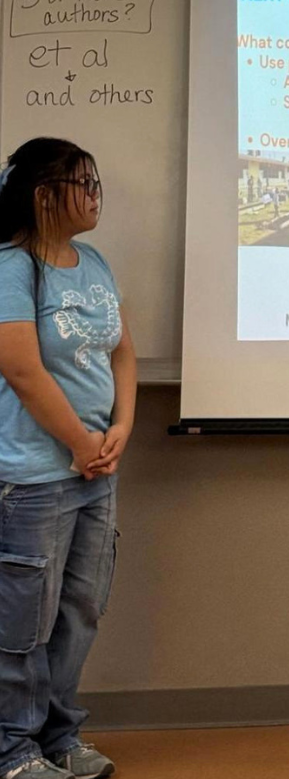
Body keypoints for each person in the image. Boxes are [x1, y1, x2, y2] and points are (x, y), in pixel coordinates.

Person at [0, 138, 136, 779]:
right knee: (24, 623)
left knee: (80, 611)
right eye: (82, 183)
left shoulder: (95, 262)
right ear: (43, 194)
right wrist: (81, 445)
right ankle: (13, 751)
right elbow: (23, 371)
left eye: (95, 182)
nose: (94, 195)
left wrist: (121, 427)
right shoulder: (11, 267)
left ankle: (58, 738)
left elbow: (123, 354)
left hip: (93, 474)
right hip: (32, 478)